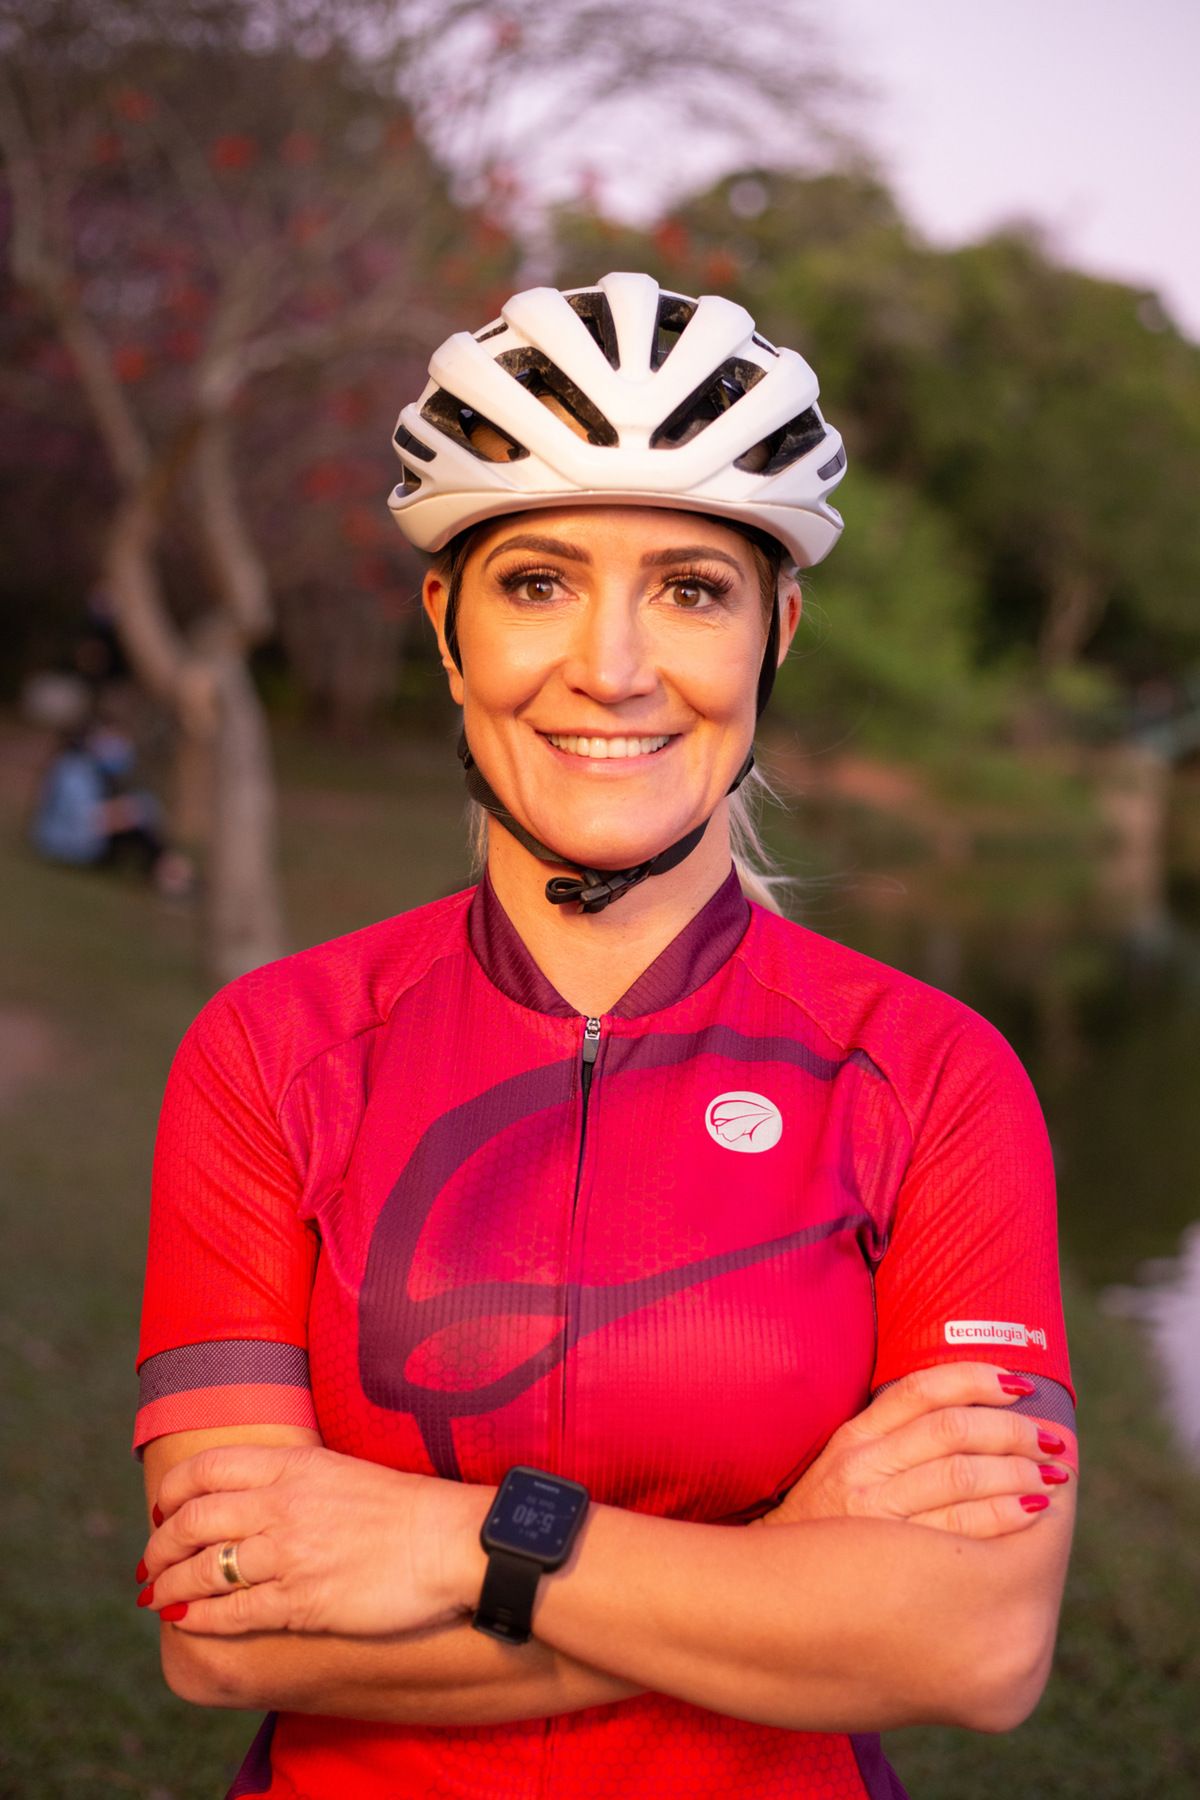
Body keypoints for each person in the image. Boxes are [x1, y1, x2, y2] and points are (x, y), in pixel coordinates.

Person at [134, 273, 1076, 1800]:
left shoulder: (932, 1077)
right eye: (538, 583)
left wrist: (450, 1543)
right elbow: (224, 1634)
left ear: (776, 631)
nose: (614, 666)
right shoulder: (273, 1052)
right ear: (447, 628)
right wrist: (788, 1568)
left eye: (693, 589)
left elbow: (972, 1645)